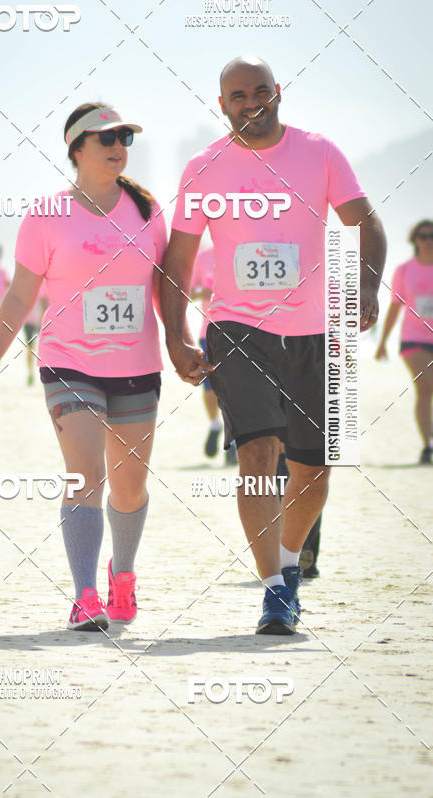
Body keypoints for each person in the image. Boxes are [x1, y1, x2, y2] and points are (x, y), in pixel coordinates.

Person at [161, 55, 386, 635]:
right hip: (239, 330)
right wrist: (177, 334)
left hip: (316, 333)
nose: (251, 102)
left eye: (261, 91)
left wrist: (364, 285)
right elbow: (178, 260)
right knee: (258, 459)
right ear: (222, 104)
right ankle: (276, 590)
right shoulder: (204, 167)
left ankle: (286, 563)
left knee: (314, 472)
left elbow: (365, 222)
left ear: (278, 93)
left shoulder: (320, 152)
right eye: (238, 95)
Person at [0, 102, 170, 631]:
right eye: (105, 138)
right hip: (68, 362)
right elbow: (18, 298)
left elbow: (167, 288)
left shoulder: (148, 212)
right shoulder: (46, 215)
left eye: (125, 136)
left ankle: (121, 576)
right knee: (86, 474)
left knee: (129, 486)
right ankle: (84, 595)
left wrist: (186, 343)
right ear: (76, 147)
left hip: (136, 365)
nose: (118, 145)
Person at [375, 219, 433, 464]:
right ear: (415, 240)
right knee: (426, 388)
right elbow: (395, 307)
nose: (428, 240)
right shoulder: (404, 270)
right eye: (423, 235)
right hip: (413, 340)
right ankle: (427, 446)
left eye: (432, 236)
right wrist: (382, 342)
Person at [190, 246, 237, 463]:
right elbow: (189, 291)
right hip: (208, 332)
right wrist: (203, 292)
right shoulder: (204, 256)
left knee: (233, 389)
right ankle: (215, 426)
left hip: (240, 330)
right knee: (210, 390)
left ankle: (233, 440)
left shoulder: (244, 249)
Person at [23, 282, 49, 386]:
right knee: (36, 349)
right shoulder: (44, 282)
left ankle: (30, 373)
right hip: (36, 321)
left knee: (30, 348)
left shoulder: (29, 282)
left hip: (30, 320)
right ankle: (31, 373)